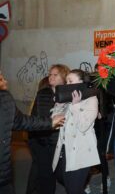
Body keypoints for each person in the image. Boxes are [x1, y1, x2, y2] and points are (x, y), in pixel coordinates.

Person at [0, 72, 65, 194]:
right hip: (39, 140)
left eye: (2, 77)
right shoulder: (43, 93)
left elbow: (22, 121)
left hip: (4, 173)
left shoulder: (5, 99)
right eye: (1, 79)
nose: (5, 81)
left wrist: (50, 122)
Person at [51, 69, 100, 194]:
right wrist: (59, 106)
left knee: (73, 189)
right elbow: (55, 124)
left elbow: (83, 126)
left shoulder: (91, 99)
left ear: (81, 82)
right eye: (67, 81)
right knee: (67, 184)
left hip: (81, 151)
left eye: (70, 81)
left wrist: (76, 106)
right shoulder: (67, 98)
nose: (67, 84)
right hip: (65, 150)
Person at [28, 64, 70, 194]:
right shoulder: (42, 93)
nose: (50, 77)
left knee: (63, 175)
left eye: (55, 75)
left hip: (61, 142)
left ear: (63, 77)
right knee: (46, 177)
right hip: (43, 141)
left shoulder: (69, 94)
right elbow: (34, 116)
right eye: (50, 74)